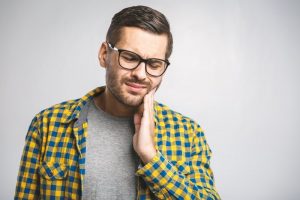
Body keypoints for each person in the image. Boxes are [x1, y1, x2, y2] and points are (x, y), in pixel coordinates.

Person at [14, 5, 220, 200]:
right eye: (130, 58)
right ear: (104, 55)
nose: (141, 74)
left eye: (154, 64)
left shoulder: (187, 133)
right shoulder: (48, 124)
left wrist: (151, 157)